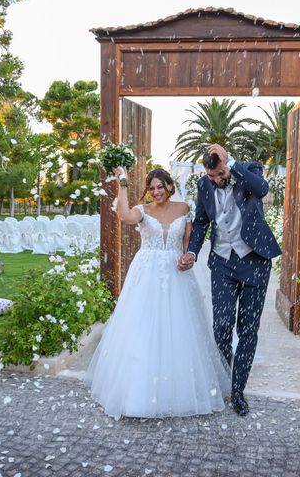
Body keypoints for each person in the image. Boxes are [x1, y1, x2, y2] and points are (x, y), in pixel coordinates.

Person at [84, 167, 230, 419]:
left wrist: (188, 258)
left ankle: (179, 390)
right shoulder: (142, 211)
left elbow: (187, 241)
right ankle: (136, 393)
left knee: (179, 329)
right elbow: (123, 215)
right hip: (146, 275)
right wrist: (123, 182)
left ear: (170, 187)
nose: (156, 192)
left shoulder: (184, 209)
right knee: (143, 328)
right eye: (151, 188)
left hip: (176, 274)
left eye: (160, 187)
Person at [178, 144, 281, 416]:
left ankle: (237, 390)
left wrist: (232, 164)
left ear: (226, 163)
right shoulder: (204, 184)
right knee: (222, 325)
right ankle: (228, 371)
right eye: (212, 176)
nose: (216, 179)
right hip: (223, 261)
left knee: (248, 329)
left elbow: (262, 189)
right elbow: (201, 222)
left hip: (255, 261)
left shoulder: (248, 171)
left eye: (220, 173)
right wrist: (191, 251)